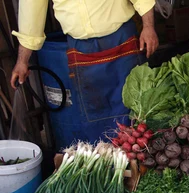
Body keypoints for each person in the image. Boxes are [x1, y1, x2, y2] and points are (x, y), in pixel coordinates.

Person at [10, 0, 159, 142]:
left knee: (136, 111)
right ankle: (109, 163)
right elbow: (31, 12)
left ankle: (139, 165)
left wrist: (148, 26)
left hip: (121, 39)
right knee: (95, 118)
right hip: (81, 49)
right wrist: (22, 61)